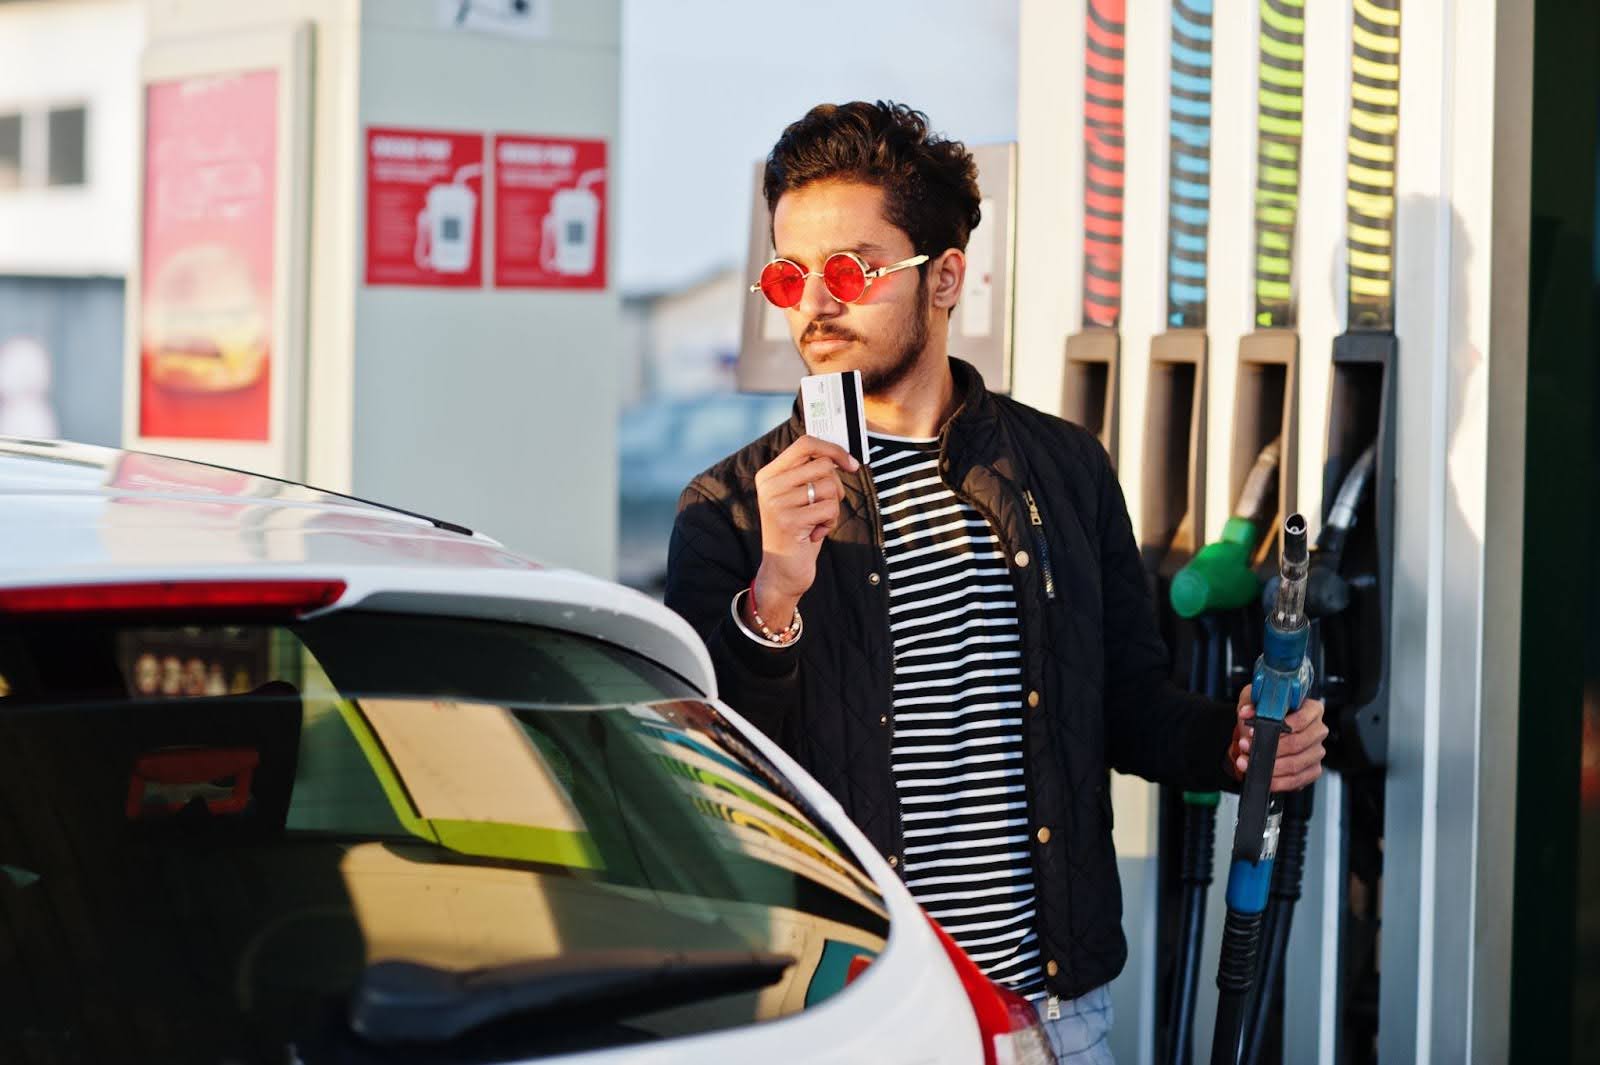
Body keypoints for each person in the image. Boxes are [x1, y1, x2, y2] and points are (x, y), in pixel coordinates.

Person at [664, 101, 1326, 1063]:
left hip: (1049, 1019)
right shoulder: (726, 509)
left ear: (945, 277)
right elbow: (713, 784)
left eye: (849, 270)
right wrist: (771, 598)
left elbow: (1128, 706)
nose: (814, 301)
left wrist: (1230, 744)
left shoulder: (1063, 467)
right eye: (788, 273)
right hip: (854, 1020)